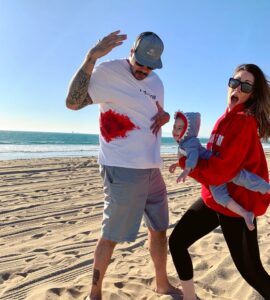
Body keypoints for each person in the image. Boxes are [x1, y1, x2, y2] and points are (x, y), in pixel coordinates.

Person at [65, 30, 178, 300]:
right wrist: (91, 57)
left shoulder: (157, 82)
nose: (144, 70)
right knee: (112, 234)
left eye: (150, 66)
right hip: (122, 168)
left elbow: (152, 111)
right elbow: (72, 103)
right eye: (140, 64)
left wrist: (163, 117)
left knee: (159, 229)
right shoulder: (108, 72)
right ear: (131, 54)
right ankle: (95, 293)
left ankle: (161, 284)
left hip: (152, 168)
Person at [168, 64, 270, 300]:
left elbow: (219, 172)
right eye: (234, 82)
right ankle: (190, 297)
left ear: (252, 94)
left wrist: (186, 166)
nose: (237, 88)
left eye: (245, 86)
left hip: (237, 207)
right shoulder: (224, 118)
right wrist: (190, 151)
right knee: (177, 241)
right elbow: (212, 158)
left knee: (253, 274)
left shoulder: (244, 123)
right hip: (214, 199)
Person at [169, 111, 270, 231]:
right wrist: (178, 164)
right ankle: (245, 213)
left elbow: (193, 155)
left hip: (215, 166)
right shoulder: (184, 142)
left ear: (188, 130)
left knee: (241, 177)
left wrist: (186, 170)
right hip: (212, 177)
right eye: (175, 127)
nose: (175, 130)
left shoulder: (190, 142)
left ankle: (266, 189)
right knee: (222, 195)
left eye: (180, 128)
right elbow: (187, 156)